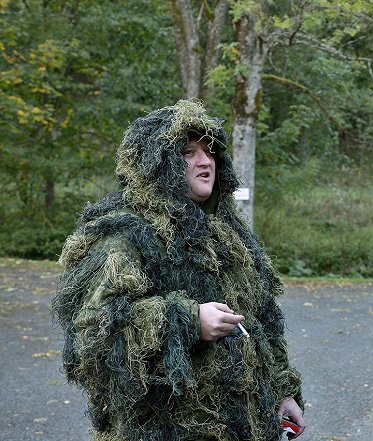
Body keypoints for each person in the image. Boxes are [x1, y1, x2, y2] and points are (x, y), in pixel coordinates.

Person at [52, 100, 306, 440]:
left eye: (210, 151)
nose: (205, 162)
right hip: (164, 427)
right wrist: (187, 320)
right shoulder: (124, 235)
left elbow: (263, 320)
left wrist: (282, 390)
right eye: (188, 152)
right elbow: (95, 336)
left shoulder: (229, 233)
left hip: (243, 423)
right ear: (156, 164)